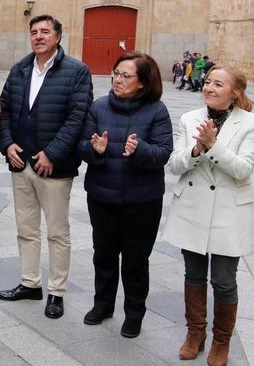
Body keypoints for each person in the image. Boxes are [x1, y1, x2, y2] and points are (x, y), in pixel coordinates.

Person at [0, 14, 92, 319]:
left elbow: (78, 118)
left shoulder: (76, 71)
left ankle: (57, 292)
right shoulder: (20, 68)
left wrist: (52, 153)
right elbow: (5, 111)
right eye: (34, 32)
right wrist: (7, 144)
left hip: (54, 167)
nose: (38, 36)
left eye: (45, 32)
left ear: (58, 37)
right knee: (26, 229)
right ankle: (30, 283)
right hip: (20, 162)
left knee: (57, 232)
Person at [162, 64, 254, 365]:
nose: (209, 88)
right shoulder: (190, 119)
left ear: (235, 92)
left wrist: (213, 147)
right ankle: (195, 333)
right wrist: (196, 151)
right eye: (208, 82)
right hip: (192, 209)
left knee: (225, 281)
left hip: (229, 214)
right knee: (194, 274)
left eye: (218, 84)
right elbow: (174, 165)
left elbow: (243, 170)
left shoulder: (249, 124)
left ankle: (221, 342)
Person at [77, 52, 173, 338]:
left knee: (135, 260)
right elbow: (82, 145)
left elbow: (163, 153)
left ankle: (134, 314)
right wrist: (95, 150)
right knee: (103, 255)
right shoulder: (99, 107)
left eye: (125, 76)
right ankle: (102, 304)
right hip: (102, 195)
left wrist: (139, 150)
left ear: (143, 82)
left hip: (142, 200)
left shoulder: (157, 110)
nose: (117, 80)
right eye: (115, 73)